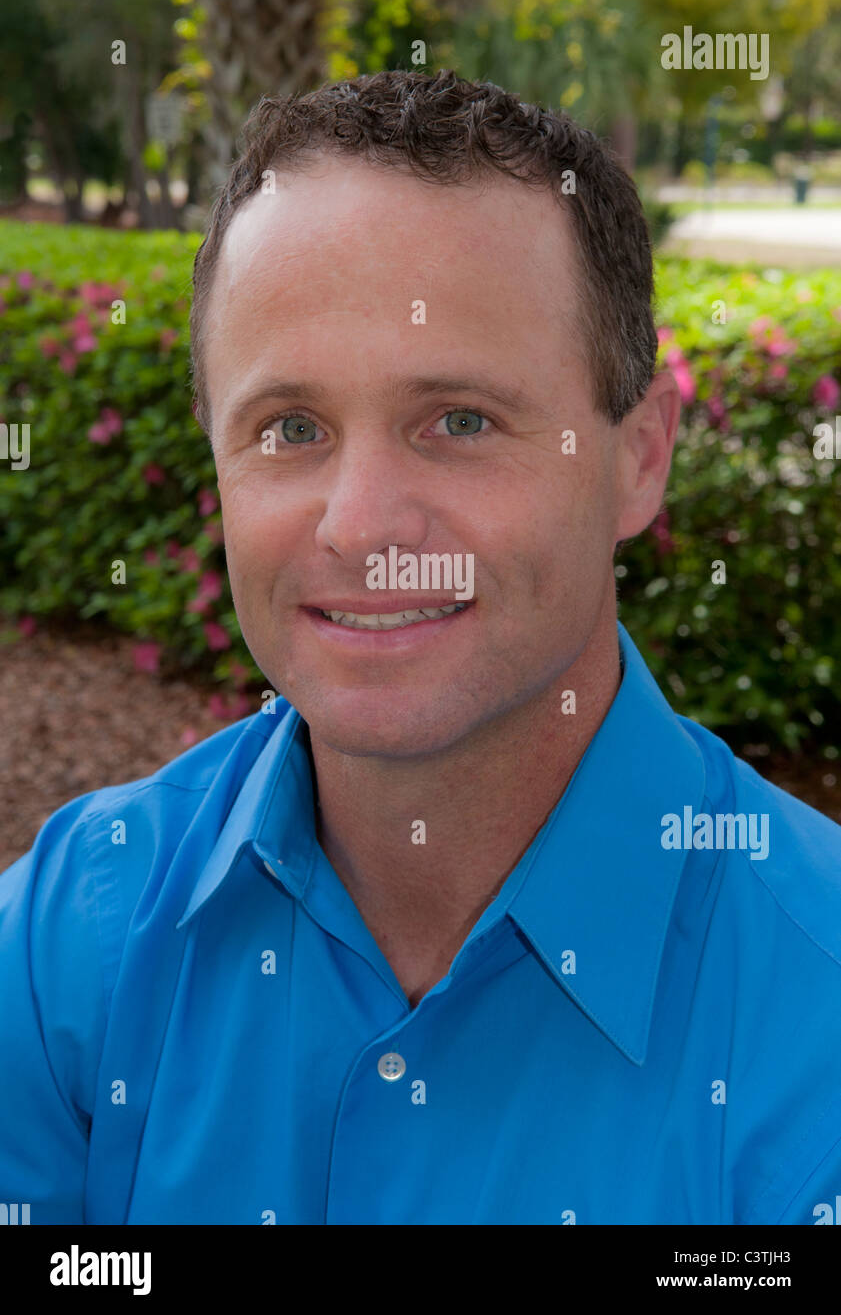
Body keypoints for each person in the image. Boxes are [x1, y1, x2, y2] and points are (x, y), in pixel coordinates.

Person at [2, 69, 840, 1226]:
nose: (360, 525)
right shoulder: (63, 948)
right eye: (289, 428)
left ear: (639, 456)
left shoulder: (817, 1020)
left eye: (458, 420)